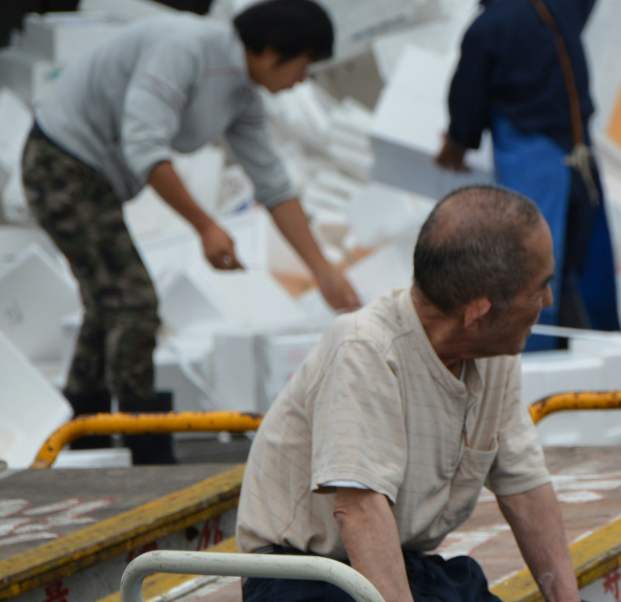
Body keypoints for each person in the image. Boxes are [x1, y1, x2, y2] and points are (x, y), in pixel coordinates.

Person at [22, 0, 360, 463]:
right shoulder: (187, 48)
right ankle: (146, 454)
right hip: (60, 162)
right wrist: (205, 225)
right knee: (134, 301)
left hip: (94, 176)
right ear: (271, 51)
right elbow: (145, 145)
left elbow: (274, 183)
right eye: (303, 66)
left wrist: (323, 271)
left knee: (107, 305)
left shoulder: (242, 92)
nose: (302, 80)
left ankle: (88, 444)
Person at [237, 185, 581, 602]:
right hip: (303, 576)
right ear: (479, 312)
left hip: (401, 562)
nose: (547, 299)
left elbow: (524, 487)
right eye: (539, 288)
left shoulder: (493, 352)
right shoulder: (366, 348)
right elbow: (360, 511)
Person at [436, 0, 619, 351]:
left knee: (529, 270)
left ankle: (537, 365)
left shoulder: (487, 28)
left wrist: (456, 145)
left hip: (533, 163)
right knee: (582, 260)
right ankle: (604, 355)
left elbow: (466, 102)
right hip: (580, 156)